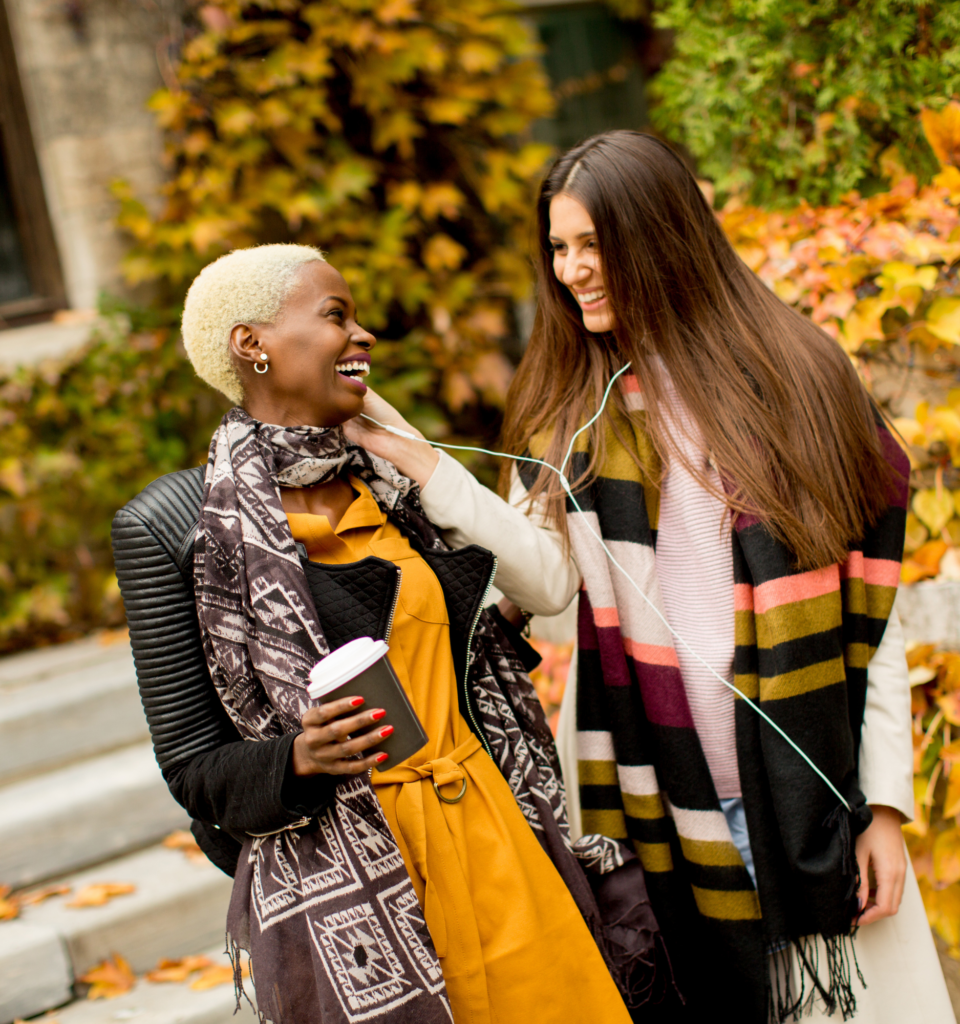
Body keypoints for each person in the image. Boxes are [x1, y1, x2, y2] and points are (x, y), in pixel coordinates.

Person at [344, 132, 955, 1024]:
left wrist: (888, 811)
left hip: (818, 806)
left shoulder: (799, 381)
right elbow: (545, 584)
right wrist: (420, 461)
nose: (573, 270)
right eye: (559, 248)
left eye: (595, 245)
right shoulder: (569, 408)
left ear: (661, 236)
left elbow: (874, 615)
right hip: (658, 818)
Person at [110, 244, 646, 1024]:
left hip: (500, 835)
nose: (362, 336)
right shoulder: (173, 529)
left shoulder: (395, 484)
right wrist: (300, 756)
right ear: (250, 344)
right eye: (335, 317)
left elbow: (548, 586)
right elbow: (193, 766)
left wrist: (420, 458)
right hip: (357, 883)